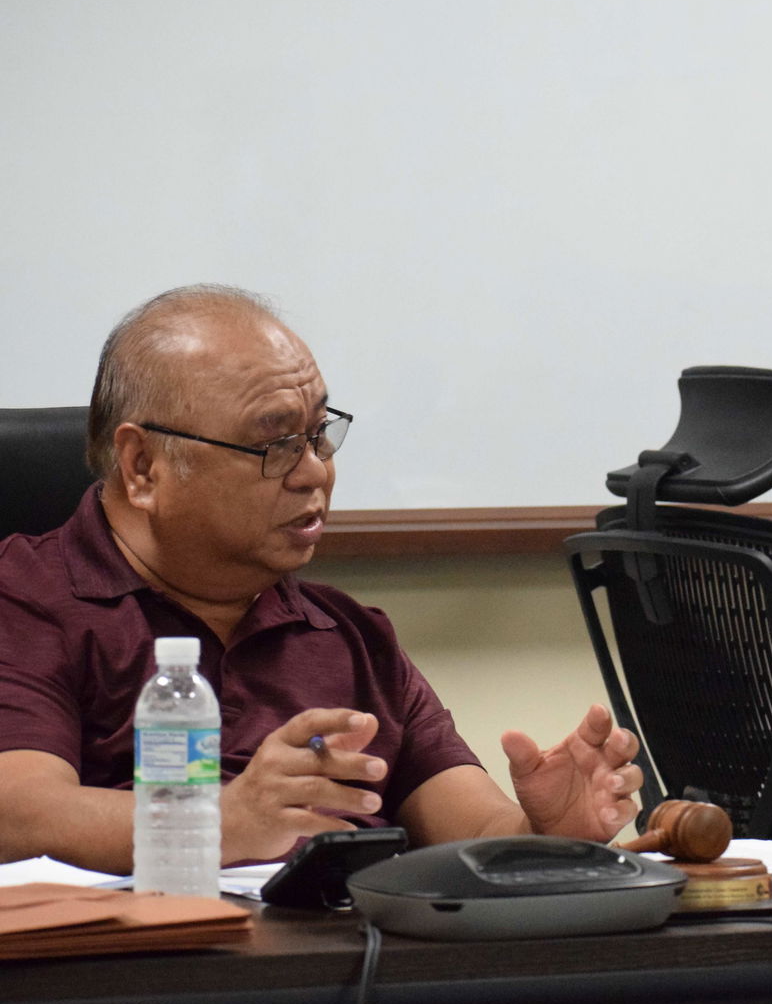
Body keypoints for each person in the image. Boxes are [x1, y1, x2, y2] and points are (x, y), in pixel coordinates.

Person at [0, 284, 643, 873]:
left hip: (343, 982)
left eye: (319, 435)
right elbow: (19, 814)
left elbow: (472, 827)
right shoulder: (25, 597)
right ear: (143, 466)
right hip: (134, 984)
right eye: (274, 444)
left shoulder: (347, 633)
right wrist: (222, 823)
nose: (315, 474)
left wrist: (548, 832)